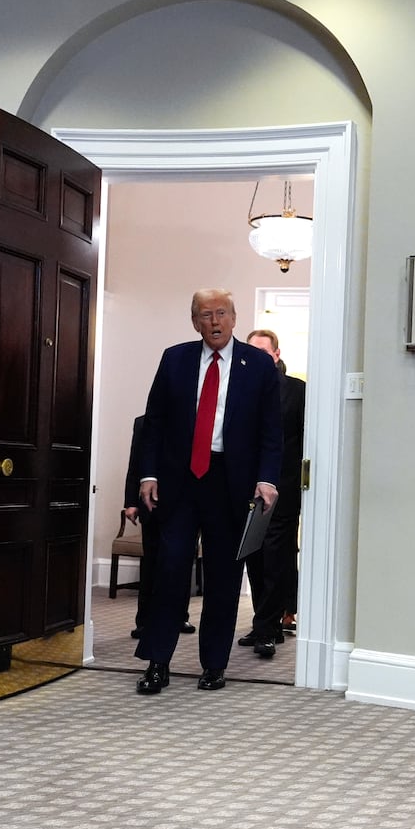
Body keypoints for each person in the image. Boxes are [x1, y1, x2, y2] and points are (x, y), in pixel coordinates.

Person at [134, 289, 282, 693]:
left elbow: (272, 432)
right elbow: (155, 422)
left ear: (234, 318)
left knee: (223, 576)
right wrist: (148, 474)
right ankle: (157, 663)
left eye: (220, 314)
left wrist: (267, 480)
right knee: (170, 569)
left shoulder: (259, 368)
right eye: (204, 315)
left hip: (230, 483)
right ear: (194, 321)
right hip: (180, 481)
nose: (213, 322)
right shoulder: (175, 358)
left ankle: (214, 664)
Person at [238, 330, 305, 659]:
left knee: (277, 560)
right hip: (245, 493)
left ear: (276, 355)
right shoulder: (238, 390)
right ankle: (265, 623)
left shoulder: (297, 391)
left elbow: (304, 442)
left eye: (264, 351)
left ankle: (268, 628)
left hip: (283, 492)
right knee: (255, 559)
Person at [122, 414, 196, 640]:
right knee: (151, 563)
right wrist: (130, 503)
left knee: (181, 562)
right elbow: (135, 462)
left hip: (186, 505)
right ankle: (144, 621)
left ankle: (179, 616)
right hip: (151, 505)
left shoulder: (192, 419)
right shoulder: (143, 422)